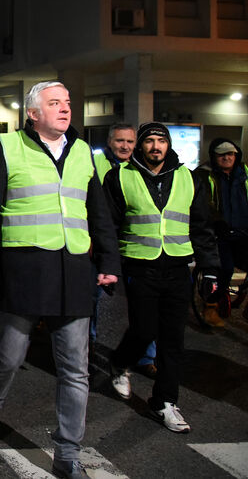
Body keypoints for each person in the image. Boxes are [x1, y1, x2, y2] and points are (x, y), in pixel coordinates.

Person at [0, 81, 120, 479]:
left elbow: (98, 211)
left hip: (73, 271)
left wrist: (109, 260)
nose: (65, 108)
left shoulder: (84, 151)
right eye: (55, 103)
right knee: (9, 355)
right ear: (33, 113)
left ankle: (68, 451)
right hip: (24, 271)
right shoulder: (8, 147)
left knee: (75, 367)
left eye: (68, 102)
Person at [105, 123, 219, 433]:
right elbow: (110, 228)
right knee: (144, 329)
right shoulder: (119, 177)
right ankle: (120, 361)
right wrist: (109, 267)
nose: (156, 147)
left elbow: (201, 227)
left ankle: (164, 401)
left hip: (178, 267)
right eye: (150, 141)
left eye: (161, 141)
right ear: (141, 146)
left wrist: (210, 268)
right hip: (140, 265)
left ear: (168, 146)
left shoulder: (190, 177)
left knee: (172, 339)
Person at [90, 124, 156, 375]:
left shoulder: (143, 167)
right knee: (93, 298)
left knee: (145, 306)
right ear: (110, 141)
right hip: (102, 241)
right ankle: (90, 345)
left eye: (130, 141)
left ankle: (145, 357)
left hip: (136, 244)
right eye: (120, 141)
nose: (125, 146)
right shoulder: (95, 164)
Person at [196, 138, 248, 327]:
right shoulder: (203, 174)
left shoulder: (246, 172)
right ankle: (210, 306)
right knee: (223, 270)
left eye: (230, 154)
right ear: (214, 156)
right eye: (221, 154)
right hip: (220, 235)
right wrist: (216, 222)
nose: (227, 157)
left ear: (237, 155)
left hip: (247, 233)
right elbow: (203, 203)